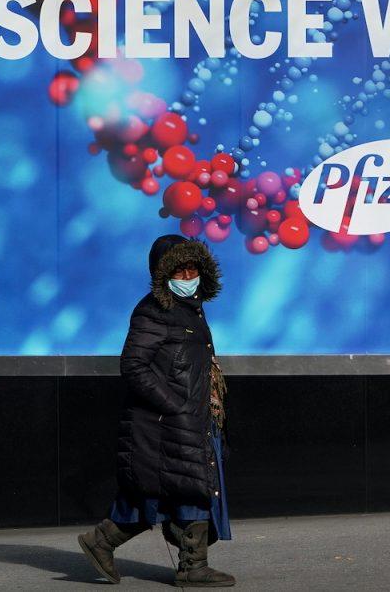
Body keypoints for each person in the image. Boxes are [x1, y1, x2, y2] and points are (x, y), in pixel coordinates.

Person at [79, 234, 235, 587]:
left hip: (191, 417)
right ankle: (191, 567)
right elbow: (134, 366)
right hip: (167, 421)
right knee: (186, 486)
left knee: (179, 487)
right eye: (179, 271)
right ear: (162, 274)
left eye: (192, 270)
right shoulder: (154, 310)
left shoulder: (191, 309)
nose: (187, 277)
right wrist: (176, 405)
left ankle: (101, 542)